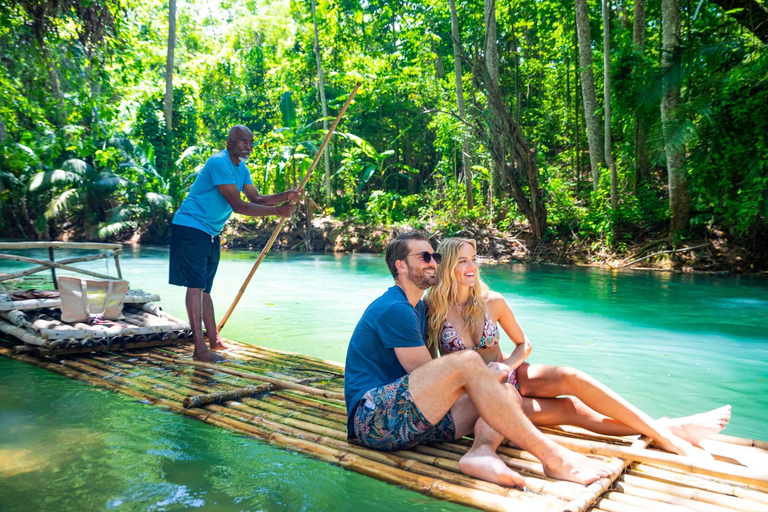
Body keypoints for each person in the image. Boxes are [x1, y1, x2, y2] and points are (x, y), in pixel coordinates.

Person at [423, 236, 731, 483]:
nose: (471, 266)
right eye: (463, 260)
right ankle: (673, 428)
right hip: (484, 396)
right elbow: (429, 365)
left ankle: (667, 436)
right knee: (572, 410)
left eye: (473, 259)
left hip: (512, 373)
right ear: (448, 265)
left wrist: (507, 366)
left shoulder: (493, 301)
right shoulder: (432, 309)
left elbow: (523, 345)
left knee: (572, 376)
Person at [344, 231, 615, 487]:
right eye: (424, 257)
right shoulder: (395, 308)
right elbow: (426, 375)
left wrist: (500, 371)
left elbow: (431, 388)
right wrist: (480, 373)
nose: (433, 262)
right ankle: (554, 458)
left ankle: (481, 452)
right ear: (401, 266)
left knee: (507, 391)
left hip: (416, 421)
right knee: (468, 361)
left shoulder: (418, 309)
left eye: (435, 256)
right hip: (373, 419)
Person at [170, 125, 301, 362]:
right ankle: (199, 350)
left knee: (205, 289)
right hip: (190, 226)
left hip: (210, 231)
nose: (248, 146)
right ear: (229, 142)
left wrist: (285, 196)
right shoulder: (219, 162)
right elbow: (238, 205)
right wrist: (277, 211)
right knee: (195, 287)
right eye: (243, 141)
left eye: (251, 142)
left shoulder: (242, 169)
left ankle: (214, 340)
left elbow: (256, 198)